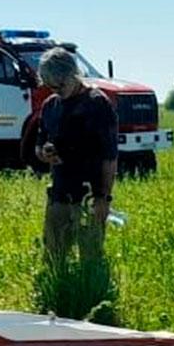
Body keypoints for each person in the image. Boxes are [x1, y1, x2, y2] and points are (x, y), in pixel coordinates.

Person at [35, 47, 119, 323]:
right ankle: (56, 308)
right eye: (50, 85)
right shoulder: (50, 106)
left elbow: (109, 155)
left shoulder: (97, 103)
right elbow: (39, 144)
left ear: (74, 74)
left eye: (61, 84)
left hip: (89, 194)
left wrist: (103, 197)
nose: (56, 90)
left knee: (90, 255)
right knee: (54, 253)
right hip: (59, 191)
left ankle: (95, 310)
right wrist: (44, 152)